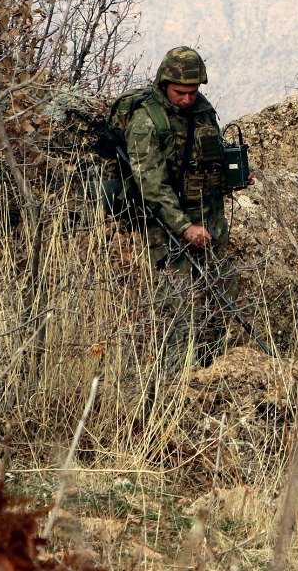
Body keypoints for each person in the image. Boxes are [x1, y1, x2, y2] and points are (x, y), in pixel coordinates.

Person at [124, 46, 242, 360]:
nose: (187, 99)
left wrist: (233, 174)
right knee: (176, 306)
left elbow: (210, 154)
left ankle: (211, 366)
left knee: (222, 292)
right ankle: (175, 379)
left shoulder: (202, 110)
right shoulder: (146, 121)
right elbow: (151, 183)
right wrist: (184, 226)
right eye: (180, 92)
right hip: (170, 228)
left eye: (193, 92)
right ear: (164, 84)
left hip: (211, 219)